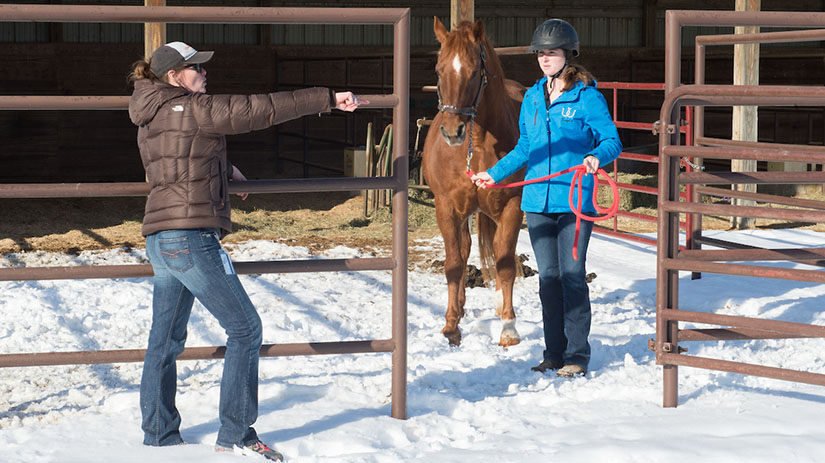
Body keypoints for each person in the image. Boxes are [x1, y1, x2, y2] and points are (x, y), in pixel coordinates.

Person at [128, 41, 365, 461]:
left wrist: (223, 167)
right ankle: (236, 433)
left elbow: (176, 160)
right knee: (245, 330)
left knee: (164, 340)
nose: (205, 74)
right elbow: (261, 108)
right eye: (195, 69)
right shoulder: (197, 109)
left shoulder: (150, 115)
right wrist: (327, 98)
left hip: (160, 238)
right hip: (191, 236)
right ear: (173, 78)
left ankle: (160, 435)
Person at [470, 19, 621, 378]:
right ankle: (553, 352)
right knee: (547, 279)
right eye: (540, 53)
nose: (544, 59)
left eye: (551, 53)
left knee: (572, 275)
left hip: (574, 200)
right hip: (537, 200)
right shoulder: (534, 97)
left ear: (568, 55)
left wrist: (596, 157)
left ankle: (577, 355)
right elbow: (525, 146)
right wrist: (494, 173)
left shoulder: (587, 98)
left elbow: (612, 140)